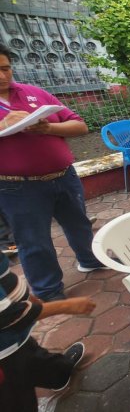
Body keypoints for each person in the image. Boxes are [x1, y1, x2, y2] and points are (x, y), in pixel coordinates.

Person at [0, 44, 105, 302]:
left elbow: (79, 125)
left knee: (79, 223)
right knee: (34, 240)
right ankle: (48, 291)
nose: (3, 76)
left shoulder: (34, 93)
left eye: (6, 68)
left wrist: (47, 128)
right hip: (18, 188)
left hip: (63, 177)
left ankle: (90, 259)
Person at [0, 252, 95, 411]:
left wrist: (29, 299)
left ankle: (59, 373)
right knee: (17, 398)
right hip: (5, 354)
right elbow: (8, 316)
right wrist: (67, 306)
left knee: (32, 356)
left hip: (15, 342)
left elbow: (5, 281)